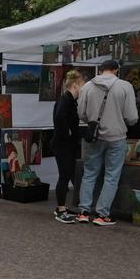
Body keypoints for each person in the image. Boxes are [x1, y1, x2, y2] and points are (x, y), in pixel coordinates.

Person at [77, 59, 138, 226]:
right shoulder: (125, 86)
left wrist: (93, 121)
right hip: (117, 137)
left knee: (89, 173)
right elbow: (132, 117)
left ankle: (83, 211)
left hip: (94, 137)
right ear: (116, 70)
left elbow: (81, 113)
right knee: (111, 176)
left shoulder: (87, 86)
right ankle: (102, 214)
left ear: (101, 70)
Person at [51, 70, 85, 224]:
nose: (83, 90)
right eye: (82, 86)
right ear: (75, 86)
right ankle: (60, 209)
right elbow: (59, 117)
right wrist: (68, 133)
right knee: (64, 176)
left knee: (68, 174)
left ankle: (62, 207)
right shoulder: (66, 99)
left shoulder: (68, 99)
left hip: (66, 144)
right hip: (63, 145)